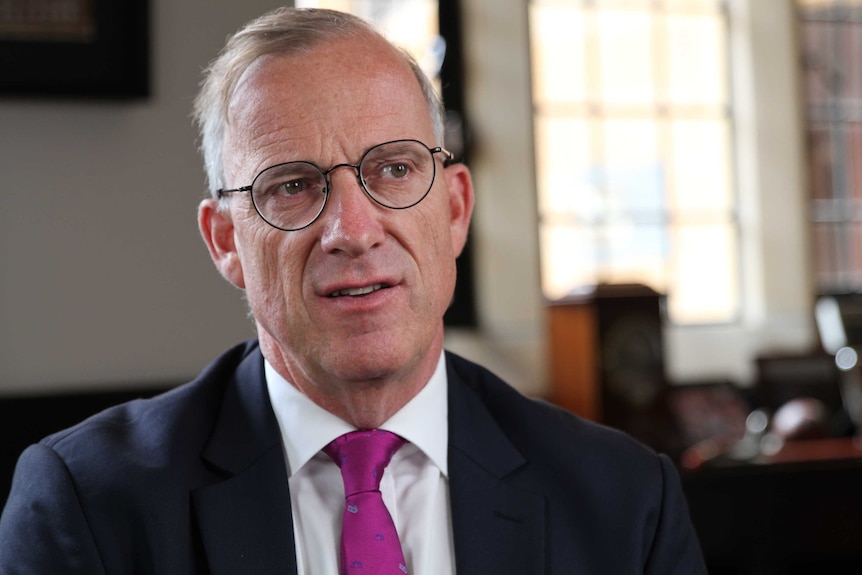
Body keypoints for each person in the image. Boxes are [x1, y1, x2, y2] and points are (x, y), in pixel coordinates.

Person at [0, 7, 706, 574]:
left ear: (455, 210)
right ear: (225, 241)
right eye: (293, 184)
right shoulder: (88, 506)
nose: (353, 229)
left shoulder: (625, 501)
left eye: (394, 170)